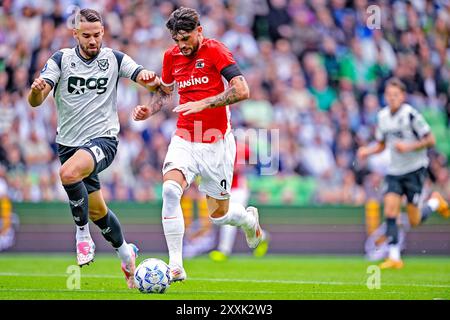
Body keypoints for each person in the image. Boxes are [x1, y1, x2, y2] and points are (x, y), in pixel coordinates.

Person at [133, 7, 267, 282]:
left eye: (186, 38)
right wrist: (150, 109)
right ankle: (176, 266)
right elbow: (165, 93)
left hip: (216, 142)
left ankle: (248, 221)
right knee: (170, 191)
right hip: (184, 135)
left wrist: (204, 103)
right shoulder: (171, 57)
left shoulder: (216, 51)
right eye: (176, 40)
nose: (181, 46)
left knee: (218, 215)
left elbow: (243, 90)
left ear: (199, 31)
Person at [27, 8, 159, 288]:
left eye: (97, 35)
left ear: (103, 33)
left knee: (67, 174)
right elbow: (36, 101)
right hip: (69, 144)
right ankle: (126, 254)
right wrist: (37, 90)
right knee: (98, 210)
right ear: (75, 34)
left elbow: (140, 74)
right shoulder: (61, 59)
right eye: (86, 35)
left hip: (103, 140)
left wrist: (148, 77)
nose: (93, 40)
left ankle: (82, 235)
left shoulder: (114, 58)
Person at [357, 77, 449, 269]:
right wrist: (367, 150)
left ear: (403, 96)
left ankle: (434, 202)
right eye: (389, 95)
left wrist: (409, 147)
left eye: (396, 95)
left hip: (415, 170)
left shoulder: (411, 115)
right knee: (390, 210)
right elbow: (382, 145)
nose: (392, 98)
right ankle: (394, 256)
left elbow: (431, 140)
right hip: (395, 171)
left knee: (414, 220)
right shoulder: (382, 117)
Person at [209, 140, 269, 261]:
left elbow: (254, 162)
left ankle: (224, 250)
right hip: (223, 188)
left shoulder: (240, 148)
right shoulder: (215, 149)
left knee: (229, 218)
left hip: (239, 189)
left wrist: (242, 167)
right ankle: (262, 237)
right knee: (241, 222)